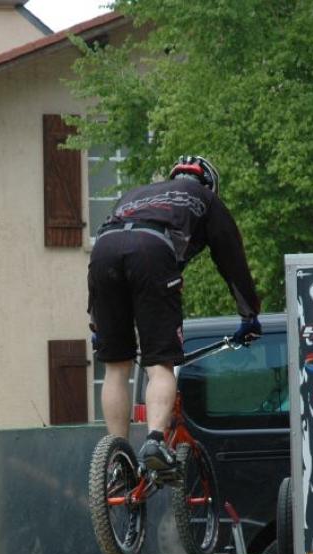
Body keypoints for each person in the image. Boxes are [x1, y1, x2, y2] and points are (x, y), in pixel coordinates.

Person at [88, 154, 262, 471]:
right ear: (209, 184)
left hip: (103, 251)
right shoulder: (205, 198)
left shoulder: (136, 194)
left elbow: (108, 245)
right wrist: (249, 315)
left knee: (116, 366)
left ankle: (118, 458)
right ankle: (154, 442)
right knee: (159, 364)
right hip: (150, 250)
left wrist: (97, 323)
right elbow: (232, 258)